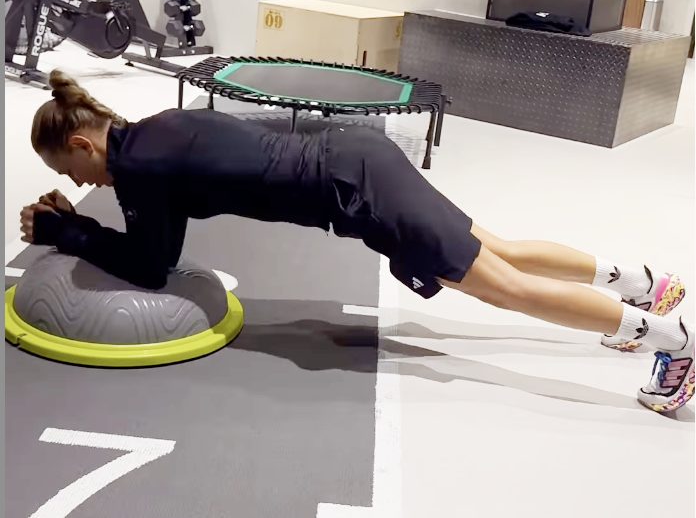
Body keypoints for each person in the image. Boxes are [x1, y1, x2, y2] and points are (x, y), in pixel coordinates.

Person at [21, 69, 694, 413]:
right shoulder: (158, 128)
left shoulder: (139, 168)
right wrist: (77, 223)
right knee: (504, 251)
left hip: (358, 191)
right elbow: (165, 231)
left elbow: (151, 266)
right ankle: (644, 285)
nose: (78, 182)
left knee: (506, 288)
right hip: (356, 154)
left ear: (82, 143)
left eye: (70, 171)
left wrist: (66, 230)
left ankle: (676, 342)